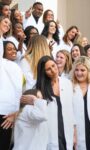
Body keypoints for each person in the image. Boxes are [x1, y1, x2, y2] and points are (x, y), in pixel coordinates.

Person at [34, 55, 75, 149]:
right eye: (48, 69)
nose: (53, 70)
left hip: (66, 129)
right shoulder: (39, 89)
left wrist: (74, 133)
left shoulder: (67, 83)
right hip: (50, 131)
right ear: (43, 73)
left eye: (53, 65)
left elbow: (72, 110)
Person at [0, 16, 23, 150]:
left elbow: (18, 91)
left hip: (9, 113)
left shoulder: (15, 67)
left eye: (9, 24)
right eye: (5, 22)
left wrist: (15, 112)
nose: (8, 25)